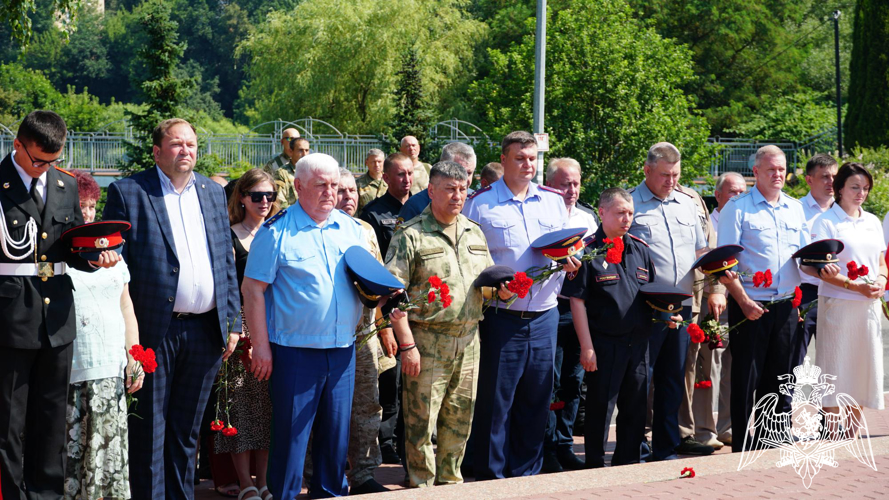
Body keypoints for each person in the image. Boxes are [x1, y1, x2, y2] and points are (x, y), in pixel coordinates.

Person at [103, 118, 239, 499]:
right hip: (153, 332)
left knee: (186, 433)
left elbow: (224, 262)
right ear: (157, 152)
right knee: (150, 433)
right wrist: (126, 339)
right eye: (177, 144)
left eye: (192, 144)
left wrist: (232, 321)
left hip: (205, 332)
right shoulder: (128, 192)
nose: (186, 151)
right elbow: (117, 269)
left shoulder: (213, 193)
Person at [0, 110, 121, 500]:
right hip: (10, 317)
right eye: (38, 160)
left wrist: (95, 258)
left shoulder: (64, 185)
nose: (44, 170)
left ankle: (46, 495)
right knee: (9, 423)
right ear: (17, 144)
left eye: (53, 161)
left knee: (52, 419)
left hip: (57, 318)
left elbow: (70, 244)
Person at [242, 153, 367, 499]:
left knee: (335, 440)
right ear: (298, 187)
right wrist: (262, 347)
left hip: (342, 351)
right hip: (295, 353)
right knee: (291, 441)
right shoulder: (276, 232)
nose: (330, 193)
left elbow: (366, 283)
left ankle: (330, 494)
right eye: (320, 186)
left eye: (334, 185)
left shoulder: (351, 229)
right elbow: (252, 290)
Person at [463, 130, 580, 479]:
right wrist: (490, 289)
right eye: (520, 158)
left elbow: (565, 248)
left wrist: (571, 260)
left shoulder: (553, 200)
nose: (528, 165)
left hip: (545, 315)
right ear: (504, 160)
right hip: (502, 317)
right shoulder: (481, 203)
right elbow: (471, 262)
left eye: (532, 158)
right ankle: (490, 475)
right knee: (495, 402)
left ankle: (526, 474)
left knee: (536, 400)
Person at [387, 161, 507, 487]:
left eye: (462, 189)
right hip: (427, 341)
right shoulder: (410, 235)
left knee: (459, 420)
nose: (458, 196)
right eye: (449, 189)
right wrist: (407, 345)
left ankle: (450, 485)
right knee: (420, 425)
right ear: (431, 191)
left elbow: (487, 283)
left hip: (469, 340)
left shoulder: (473, 231)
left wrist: (504, 290)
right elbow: (392, 297)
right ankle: (420, 486)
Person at [716, 145, 814, 452]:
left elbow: (804, 257)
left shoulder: (795, 208)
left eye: (782, 169)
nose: (778, 175)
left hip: (786, 305)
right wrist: (743, 300)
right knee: (747, 378)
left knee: (780, 376)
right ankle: (744, 447)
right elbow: (724, 263)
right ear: (755, 172)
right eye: (771, 169)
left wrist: (825, 265)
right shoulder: (738, 207)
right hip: (750, 305)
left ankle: (773, 441)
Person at [304, 168, 392, 495]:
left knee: (367, 407)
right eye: (341, 191)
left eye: (353, 191)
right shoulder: (314, 229)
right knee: (320, 410)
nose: (348, 197)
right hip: (321, 337)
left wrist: (385, 330)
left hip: (363, 337)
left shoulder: (366, 231)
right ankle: (315, 474)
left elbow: (379, 284)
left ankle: (365, 472)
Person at [628, 142, 715, 460]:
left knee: (672, 378)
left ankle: (665, 446)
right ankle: (633, 444)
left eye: (676, 175)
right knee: (640, 379)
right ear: (647, 170)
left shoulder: (686, 204)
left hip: (682, 305)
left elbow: (700, 249)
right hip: (644, 306)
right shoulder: (631, 203)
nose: (671, 181)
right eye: (665, 175)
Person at [562, 188, 658, 467]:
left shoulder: (640, 248)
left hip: (638, 344)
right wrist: (587, 347)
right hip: (605, 344)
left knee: (635, 409)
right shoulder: (587, 251)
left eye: (630, 212)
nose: (626, 218)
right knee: (600, 409)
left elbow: (652, 293)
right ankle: (594, 466)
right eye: (620, 212)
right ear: (602, 213)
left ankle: (626, 466)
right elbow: (577, 301)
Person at [62, 172, 141, 500]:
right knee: (72, 463)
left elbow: (126, 307)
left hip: (111, 369)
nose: (89, 212)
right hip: (73, 372)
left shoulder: (115, 255)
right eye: (82, 205)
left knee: (109, 466)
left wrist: (134, 356)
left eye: (94, 205)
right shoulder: (57, 257)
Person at [215, 169, 279, 500]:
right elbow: (225, 287)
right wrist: (236, 331)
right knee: (239, 408)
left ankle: (265, 481)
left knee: (267, 410)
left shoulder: (278, 233)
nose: (265, 202)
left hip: (275, 327)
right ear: (242, 198)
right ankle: (245, 483)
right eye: (257, 196)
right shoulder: (228, 236)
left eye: (270, 196)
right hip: (239, 330)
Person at [807, 162, 885, 430]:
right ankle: (831, 432)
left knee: (862, 367)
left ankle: (851, 431)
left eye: (865, 188)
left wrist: (881, 281)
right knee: (834, 366)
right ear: (839, 188)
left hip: (868, 307)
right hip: (838, 305)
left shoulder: (873, 221)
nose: (860, 192)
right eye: (855, 187)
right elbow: (820, 269)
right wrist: (855, 287)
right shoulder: (826, 221)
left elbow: (881, 260)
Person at [542, 157, 598, 473]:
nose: (572, 190)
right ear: (551, 185)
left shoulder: (588, 220)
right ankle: (546, 446)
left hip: (579, 310)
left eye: (576, 183)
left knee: (573, 382)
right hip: (550, 307)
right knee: (549, 381)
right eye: (565, 183)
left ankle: (565, 444)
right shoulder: (543, 217)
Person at [362, 152, 413, 465]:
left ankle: (407, 440)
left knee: (412, 380)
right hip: (387, 306)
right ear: (386, 177)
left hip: (416, 305)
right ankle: (387, 441)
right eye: (399, 175)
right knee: (390, 382)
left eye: (409, 174)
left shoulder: (421, 207)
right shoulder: (374, 213)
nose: (406, 180)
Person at [692, 172, 746, 449]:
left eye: (742, 192)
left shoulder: (744, 219)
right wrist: (717, 292)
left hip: (741, 303)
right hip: (711, 306)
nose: (738, 197)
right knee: (707, 368)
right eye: (732, 192)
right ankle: (705, 430)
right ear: (718, 195)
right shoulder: (705, 224)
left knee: (734, 369)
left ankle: (729, 426)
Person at [675, 180, 726, 451]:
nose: (670, 177)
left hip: (695, 298)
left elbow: (709, 246)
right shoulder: (638, 198)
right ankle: (646, 434)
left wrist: (716, 289)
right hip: (654, 300)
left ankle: (693, 432)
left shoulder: (693, 198)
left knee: (694, 368)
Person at [792, 154, 837, 367]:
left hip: (839, 293)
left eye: (835, 176)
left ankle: (833, 402)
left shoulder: (842, 211)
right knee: (794, 359)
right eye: (825, 177)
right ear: (809, 179)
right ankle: (786, 401)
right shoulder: (794, 211)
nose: (831, 182)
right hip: (805, 293)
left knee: (835, 361)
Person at [399, 142, 477, 223]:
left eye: (469, 173)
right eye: (458, 173)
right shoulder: (415, 206)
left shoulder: (475, 203)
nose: (465, 178)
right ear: (442, 168)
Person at [273, 137, 311, 209]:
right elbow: (279, 200)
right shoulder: (281, 173)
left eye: (307, 150)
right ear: (291, 151)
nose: (304, 154)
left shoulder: (314, 172)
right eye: (300, 150)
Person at [356, 149, 387, 215]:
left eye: (379, 161)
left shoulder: (390, 181)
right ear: (366, 162)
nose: (376, 165)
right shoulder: (358, 183)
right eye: (373, 162)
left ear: (384, 162)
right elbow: (355, 208)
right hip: (366, 222)